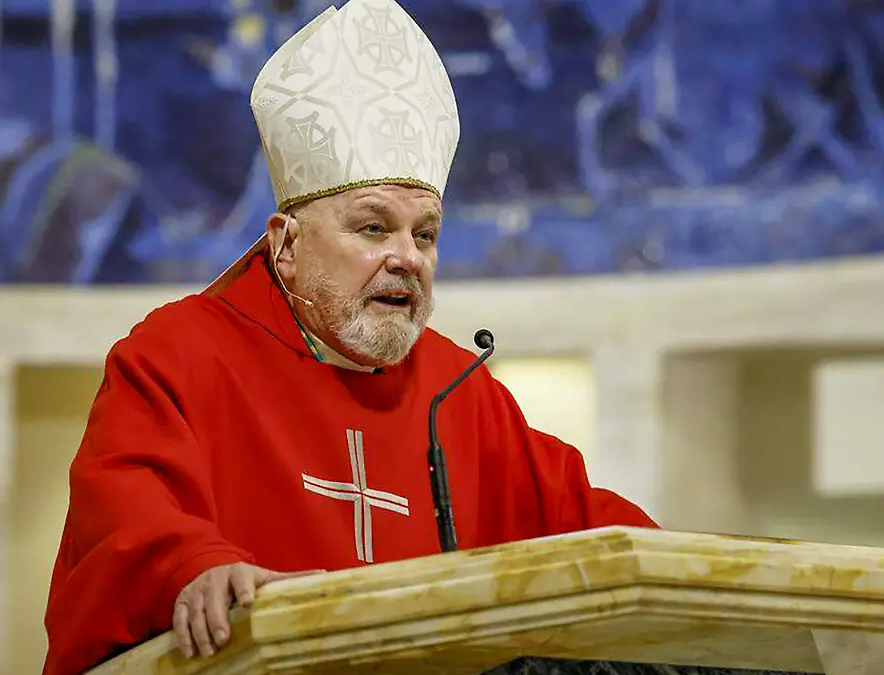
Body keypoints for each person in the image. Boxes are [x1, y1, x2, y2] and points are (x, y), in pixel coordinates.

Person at [41, 1, 658, 673]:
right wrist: (193, 566)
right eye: (373, 228)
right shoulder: (181, 354)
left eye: (424, 234)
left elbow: (593, 527)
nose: (408, 257)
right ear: (286, 245)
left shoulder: (458, 394)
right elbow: (125, 508)